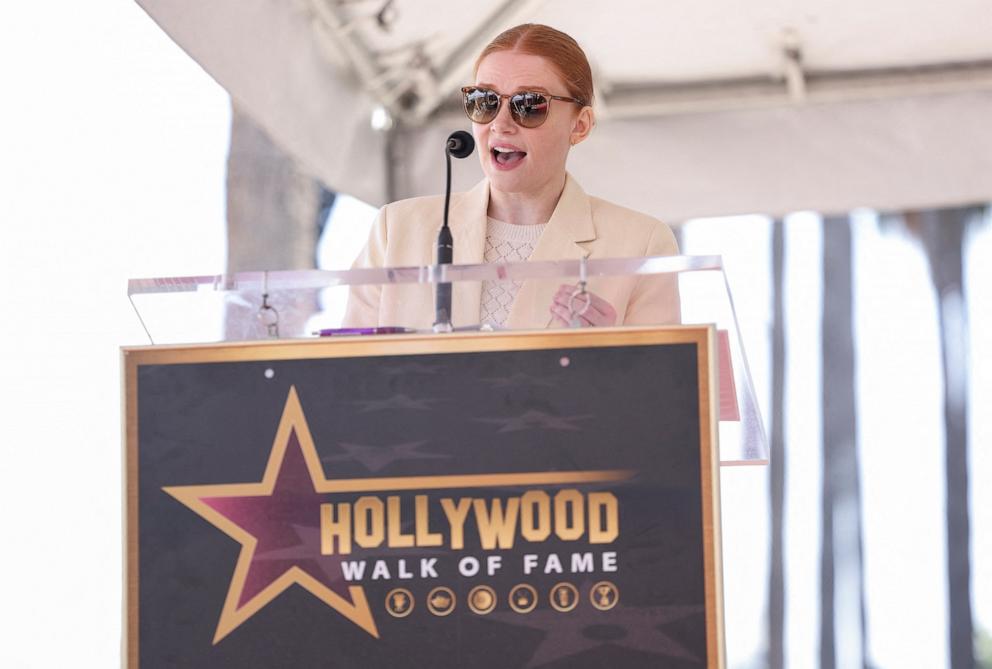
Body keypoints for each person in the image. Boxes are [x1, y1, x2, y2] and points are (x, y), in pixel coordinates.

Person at [344, 23, 680, 330]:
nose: (500, 124)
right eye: (484, 101)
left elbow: (662, 389)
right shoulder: (396, 229)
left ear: (580, 125)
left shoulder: (642, 244)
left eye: (529, 104)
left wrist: (614, 356)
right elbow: (345, 375)